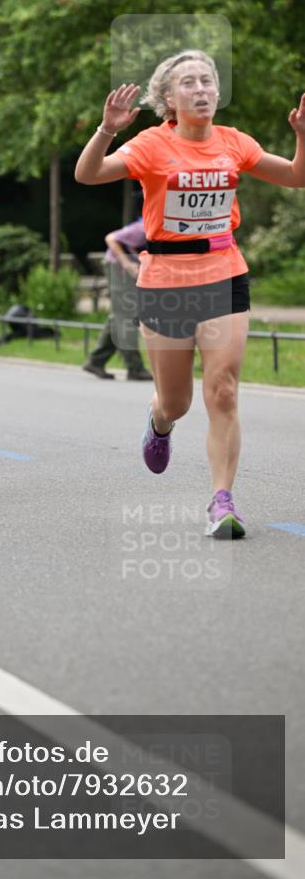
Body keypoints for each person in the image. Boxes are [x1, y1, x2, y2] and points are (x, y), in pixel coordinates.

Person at [75, 49, 304, 537]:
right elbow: (88, 174)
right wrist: (107, 130)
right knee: (176, 401)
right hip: (165, 282)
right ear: (168, 98)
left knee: (223, 390)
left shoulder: (234, 141)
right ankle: (160, 422)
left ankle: (222, 500)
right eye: (189, 83)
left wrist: (302, 137)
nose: (201, 90)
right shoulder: (151, 145)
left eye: (207, 81)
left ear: (218, 91)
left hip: (223, 273)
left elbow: (295, 176)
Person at [83, 216, 153, 380]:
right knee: (126, 316)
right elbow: (111, 238)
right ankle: (135, 368)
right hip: (119, 268)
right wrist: (127, 263)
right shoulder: (142, 228)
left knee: (119, 316)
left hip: (125, 270)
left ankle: (96, 361)